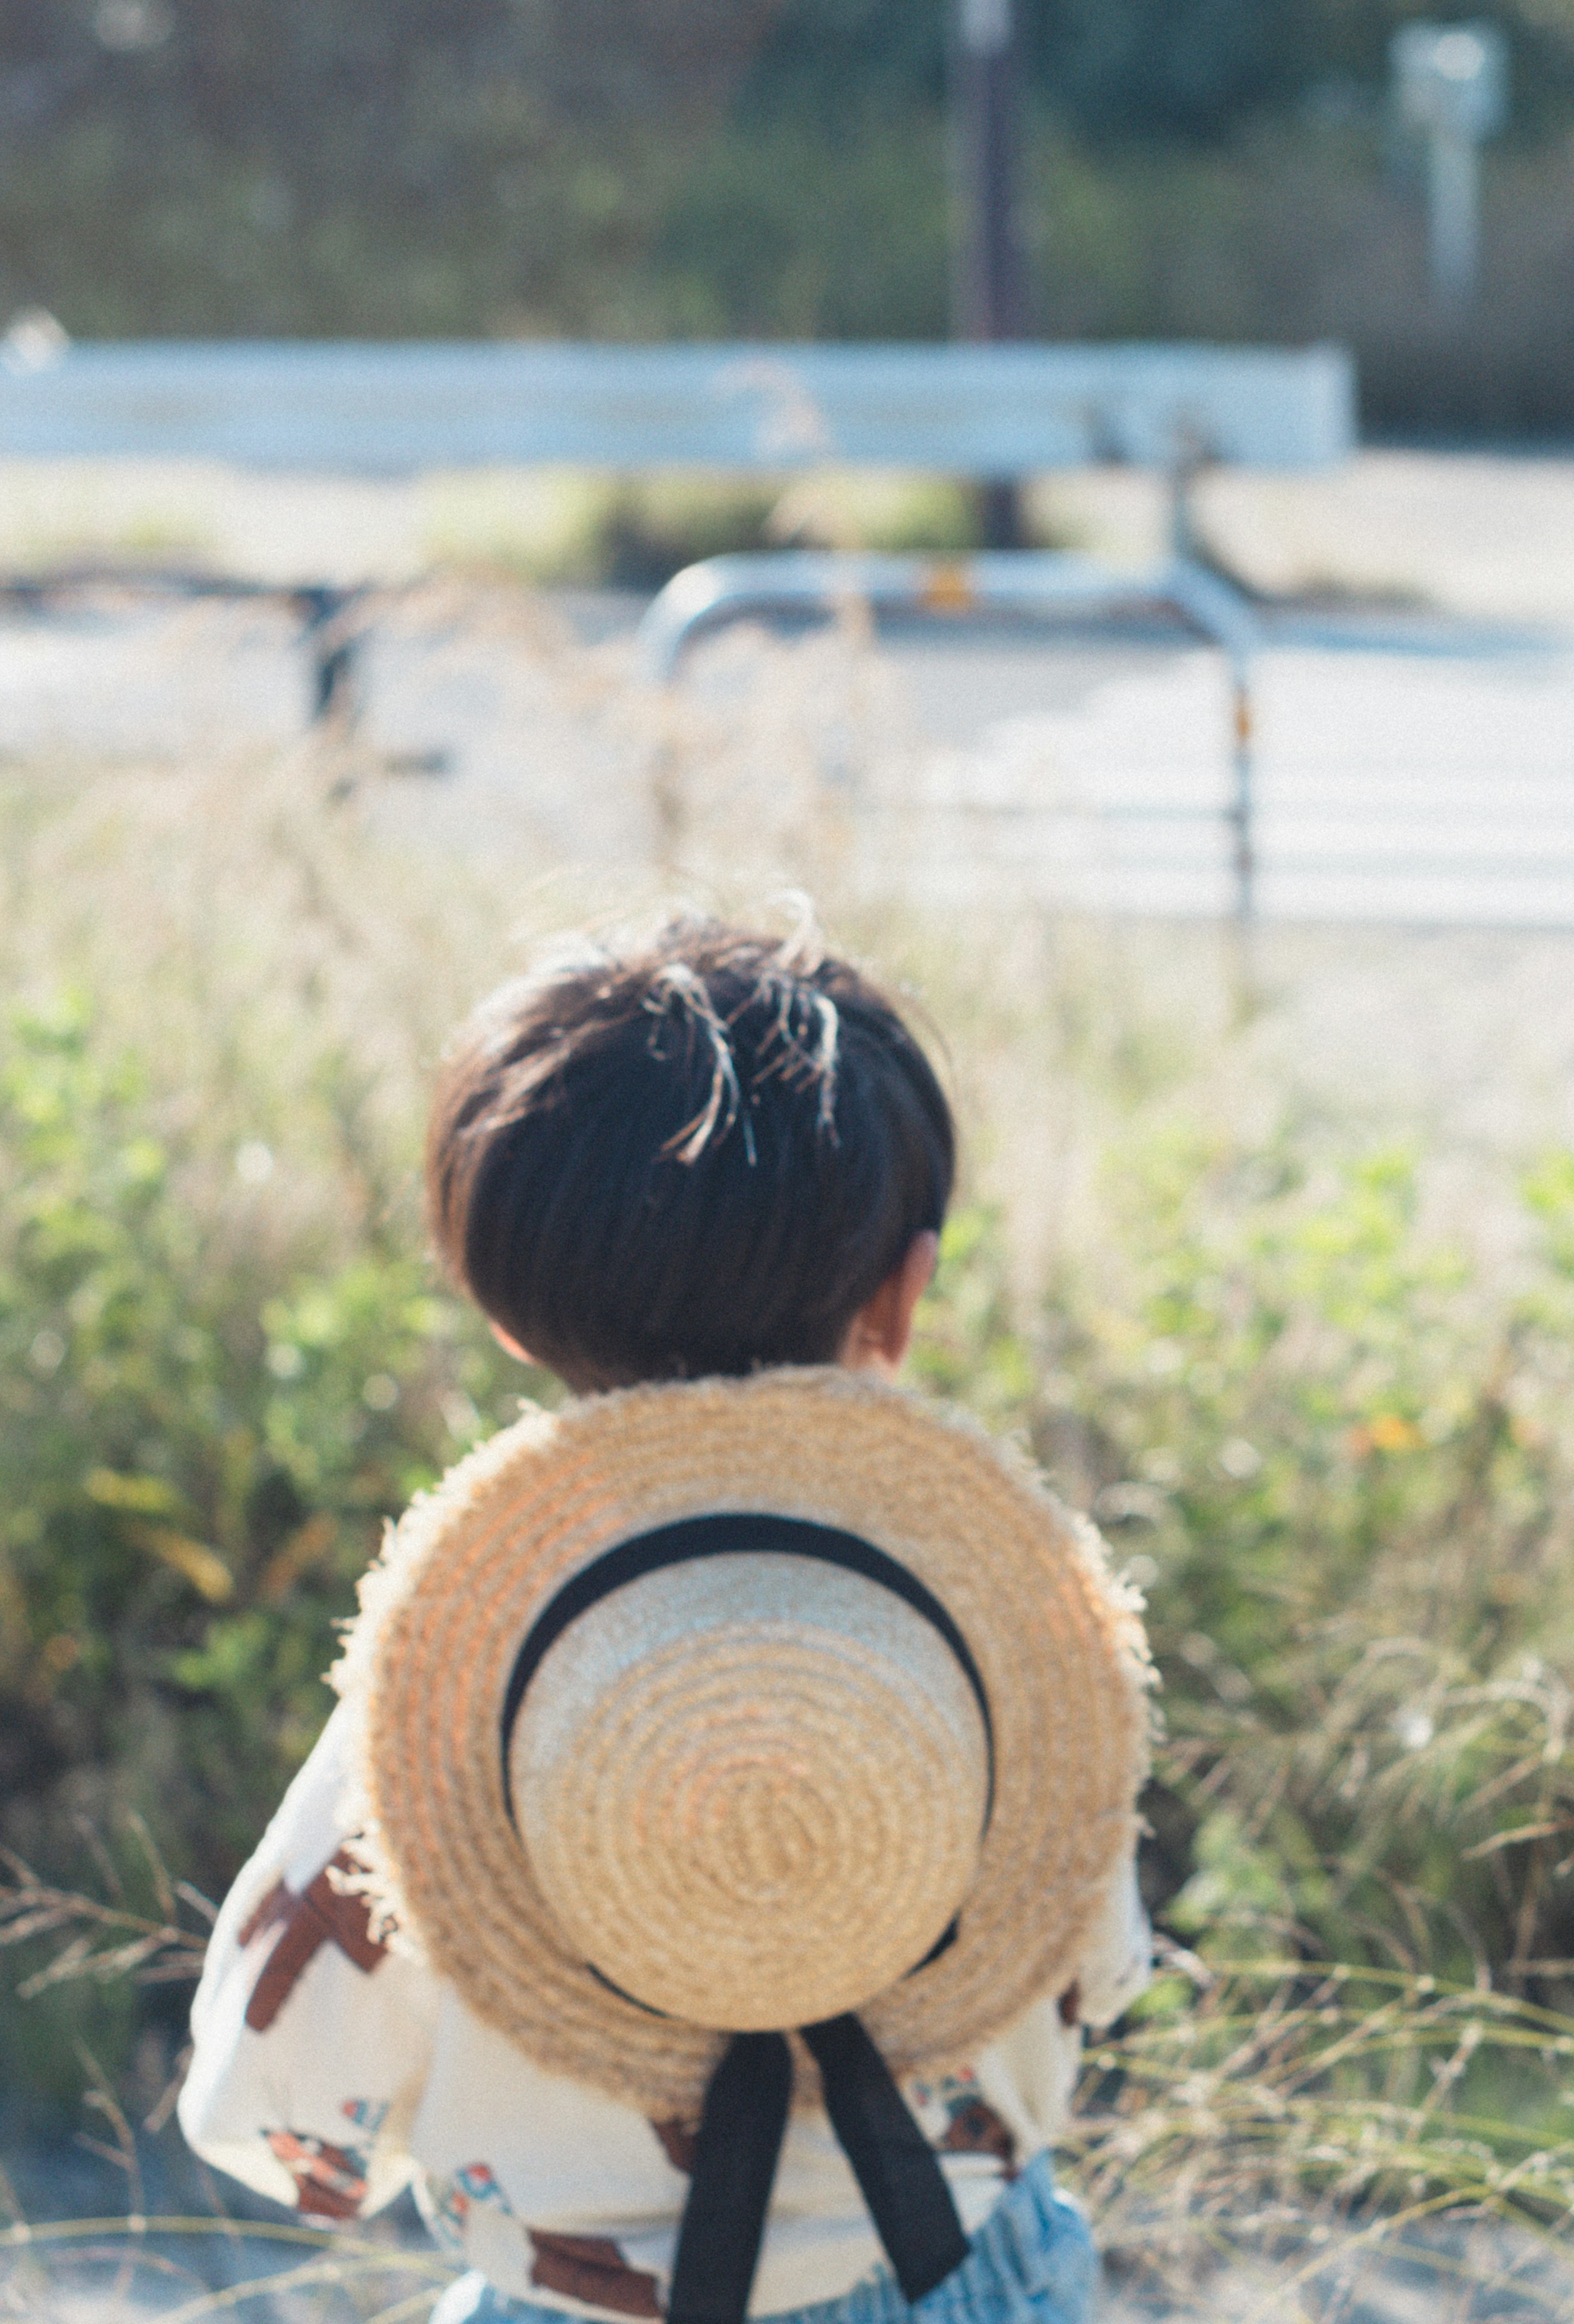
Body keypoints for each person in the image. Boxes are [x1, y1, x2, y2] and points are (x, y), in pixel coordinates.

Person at [180, 913, 1151, 2324]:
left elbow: (287, 2109)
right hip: (958, 2279)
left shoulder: (458, 1688)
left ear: (509, 1315)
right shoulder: (1002, 1641)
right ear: (903, 1293)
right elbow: (1097, 1968)